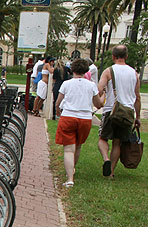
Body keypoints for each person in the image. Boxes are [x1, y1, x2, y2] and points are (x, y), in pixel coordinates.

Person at [54, 58, 104, 186]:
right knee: (78, 145)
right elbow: (98, 103)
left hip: (69, 116)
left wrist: (58, 111)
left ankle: (70, 178)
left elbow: (58, 102)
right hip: (85, 118)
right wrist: (104, 96)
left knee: (68, 149)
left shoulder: (66, 84)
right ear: (86, 70)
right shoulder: (91, 85)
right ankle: (72, 169)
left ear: (72, 69)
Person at [96, 45, 141, 178]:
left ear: (113, 57)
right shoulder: (134, 73)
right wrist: (137, 117)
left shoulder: (109, 71)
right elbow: (137, 97)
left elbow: (99, 88)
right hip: (127, 112)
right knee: (117, 142)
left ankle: (106, 159)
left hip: (111, 110)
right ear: (126, 57)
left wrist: (103, 94)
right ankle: (111, 172)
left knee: (103, 138)